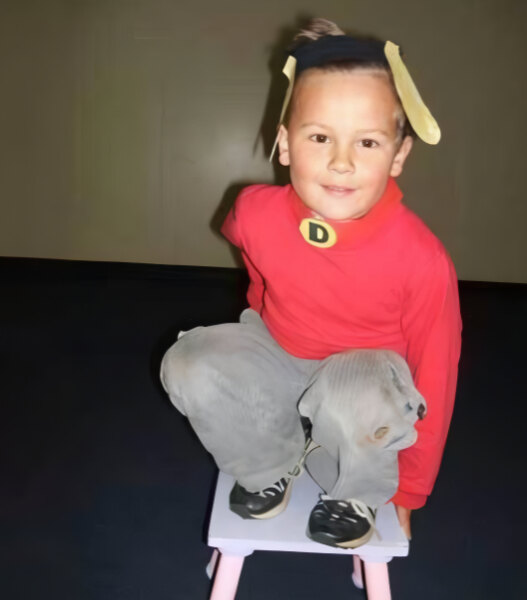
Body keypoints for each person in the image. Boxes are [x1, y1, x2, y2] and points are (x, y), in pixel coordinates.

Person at [160, 18, 462, 549]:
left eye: (367, 142)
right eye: (320, 136)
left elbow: (435, 373)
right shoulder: (253, 210)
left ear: (398, 154)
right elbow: (254, 258)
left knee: (356, 398)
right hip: (284, 354)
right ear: (284, 144)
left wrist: (408, 492)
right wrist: (259, 316)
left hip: (364, 379)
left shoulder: (421, 258)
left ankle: (355, 492)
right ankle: (273, 462)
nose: (341, 162)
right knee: (190, 361)